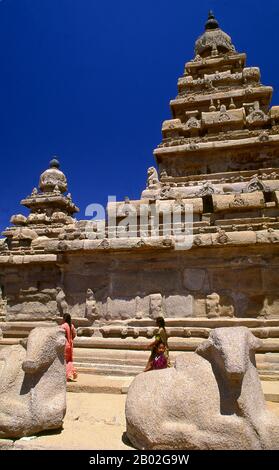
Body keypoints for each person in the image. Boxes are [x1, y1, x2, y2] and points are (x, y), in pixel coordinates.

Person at [61, 313, 77, 382]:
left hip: (65, 345)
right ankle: (71, 373)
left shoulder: (63, 326)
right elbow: (74, 334)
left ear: (64, 318)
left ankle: (67, 375)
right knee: (69, 360)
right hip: (70, 345)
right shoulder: (72, 326)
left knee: (64, 361)